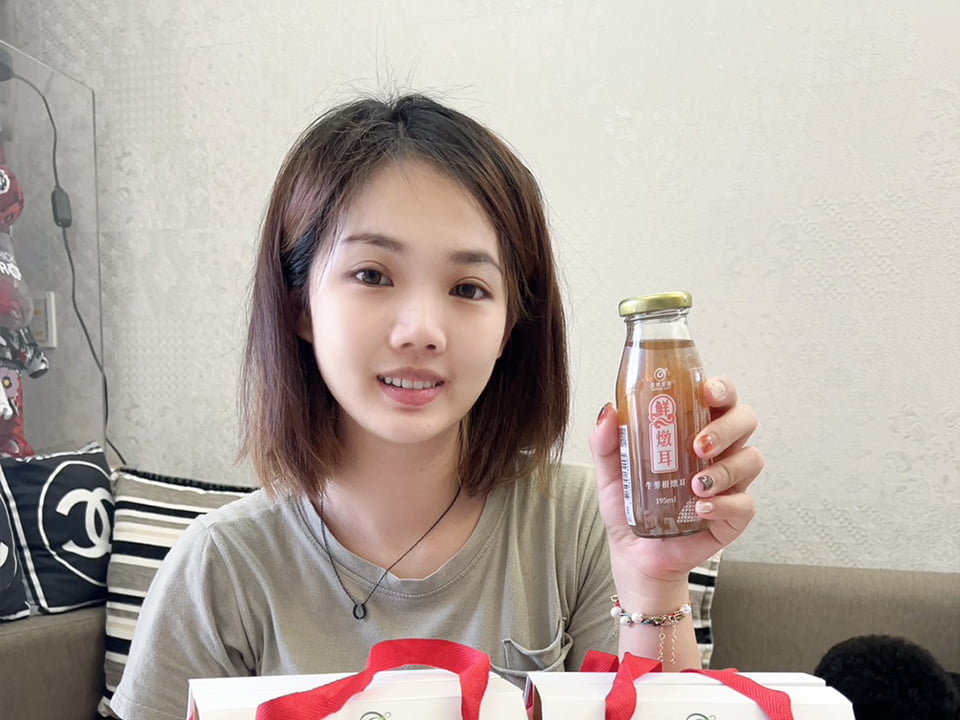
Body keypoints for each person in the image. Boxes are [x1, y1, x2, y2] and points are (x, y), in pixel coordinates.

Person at [110, 93, 763, 720]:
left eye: (468, 288)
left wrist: (655, 581)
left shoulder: (579, 525)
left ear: (509, 328)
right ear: (298, 304)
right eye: (372, 275)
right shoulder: (220, 566)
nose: (422, 330)